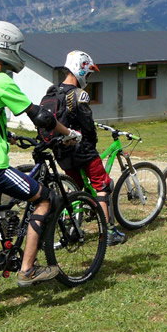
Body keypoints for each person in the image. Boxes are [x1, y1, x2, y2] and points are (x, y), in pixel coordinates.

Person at [0, 20, 83, 310]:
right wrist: (69, 133)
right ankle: (27, 269)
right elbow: (42, 117)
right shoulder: (0, 80)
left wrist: (6, 134)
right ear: (6, 48)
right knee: (46, 198)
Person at [42, 50, 126, 246]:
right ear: (80, 71)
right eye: (88, 74)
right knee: (102, 185)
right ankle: (109, 233)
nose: (88, 78)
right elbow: (87, 126)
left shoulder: (54, 92)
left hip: (61, 151)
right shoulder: (79, 95)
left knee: (74, 190)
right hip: (82, 150)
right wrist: (92, 143)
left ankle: (72, 230)